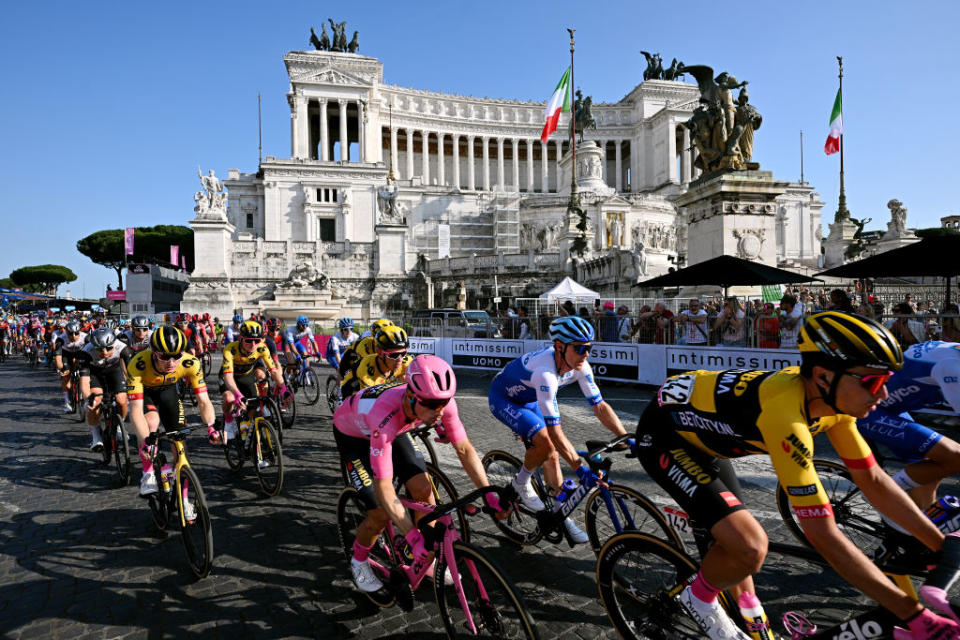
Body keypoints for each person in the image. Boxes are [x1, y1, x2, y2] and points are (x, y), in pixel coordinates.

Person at [633, 312, 959, 639]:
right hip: (666, 438)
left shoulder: (833, 406)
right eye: (873, 382)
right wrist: (912, 613)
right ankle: (697, 598)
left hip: (707, 440)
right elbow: (825, 536)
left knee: (738, 551)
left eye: (887, 381)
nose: (884, 395)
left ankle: (720, 590)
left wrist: (940, 547)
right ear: (823, 376)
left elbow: (873, 480)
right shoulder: (785, 417)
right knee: (751, 547)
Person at [334, 356, 506, 595]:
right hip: (354, 434)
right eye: (433, 405)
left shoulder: (437, 404)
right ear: (410, 396)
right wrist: (413, 537)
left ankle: (423, 560)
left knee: (425, 491)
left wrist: (489, 494)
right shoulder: (383, 416)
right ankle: (359, 560)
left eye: (444, 402)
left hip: (398, 426)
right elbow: (384, 487)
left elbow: (465, 449)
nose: (441, 410)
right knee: (380, 512)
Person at [488, 316, 629, 545]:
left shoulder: (580, 366)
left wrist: (624, 436)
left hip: (529, 397)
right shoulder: (545, 373)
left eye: (589, 348)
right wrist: (578, 467)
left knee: (552, 454)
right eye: (580, 348)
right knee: (546, 443)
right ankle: (521, 482)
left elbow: (600, 406)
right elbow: (555, 432)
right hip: (504, 398)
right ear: (560, 347)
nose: (586, 354)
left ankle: (562, 516)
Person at [856, 340, 960, 520]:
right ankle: (879, 492)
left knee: (932, 470)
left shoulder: (952, 352)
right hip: (867, 409)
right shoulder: (951, 366)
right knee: (955, 456)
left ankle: (922, 533)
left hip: (889, 408)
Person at [126, 327, 217, 496]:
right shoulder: (138, 363)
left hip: (168, 392)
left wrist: (211, 427)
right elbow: (136, 410)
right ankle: (147, 473)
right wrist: (146, 440)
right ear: (154, 353)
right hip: (146, 393)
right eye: (164, 356)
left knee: (179, 438)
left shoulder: (191, 362)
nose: (171, 362)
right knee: (151, 422)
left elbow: (204, 401)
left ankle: (184, 493)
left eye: (176, 356)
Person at [219, 320, 290, 446]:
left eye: (256, 341)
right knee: (229, 398)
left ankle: (245, 425)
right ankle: (229, 423)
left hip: (246, 376)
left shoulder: (262, 348)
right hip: (230, 378)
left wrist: (284, 389)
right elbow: (228, 376)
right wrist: (237, 394)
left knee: (254, 404)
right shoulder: (230, 350)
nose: (253, 344)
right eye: (248, 340)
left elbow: (273, 371)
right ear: (241, 338)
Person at [78, 327, 133, 452]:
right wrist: (88, 398)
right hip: (95, 375)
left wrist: (133, 389)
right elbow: (84, 381)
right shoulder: (85, 352)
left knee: (121, 400)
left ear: (114, 343)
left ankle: (119, 426)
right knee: (94, 401)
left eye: (109, 348)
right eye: (99, 349)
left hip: (115, 371)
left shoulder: (122, 348)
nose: (104, 352)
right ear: (93, 346)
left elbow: (131, 373)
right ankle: (96, 437)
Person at [340, 326, 413, 398]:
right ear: (379, 352)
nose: (400, 359)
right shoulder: (367, 371)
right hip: (353, 385)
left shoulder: (407, 361)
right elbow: (372, 402)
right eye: (394, 355)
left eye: (403, 353)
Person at [54, 320, 87, 413]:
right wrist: (61, 369)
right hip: (66, 355)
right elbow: (58, 358)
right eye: (70, 334)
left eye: (76, 333)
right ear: (66, 332)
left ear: (80, 331)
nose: (73, 336)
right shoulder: (60, 339)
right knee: (66, 378)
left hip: (80, 353)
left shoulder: (86, 337)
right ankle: (67, 402)